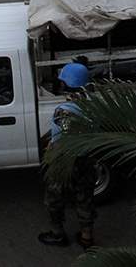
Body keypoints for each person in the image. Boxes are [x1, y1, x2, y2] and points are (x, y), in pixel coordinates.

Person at [38, 62, 97, 249]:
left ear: (65, 84)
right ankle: (86, 237)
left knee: (54, 198)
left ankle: (57, 234)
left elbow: (60, 137)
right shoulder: (93, 107)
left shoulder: (63, 111)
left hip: (64, 161)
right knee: (84, 197)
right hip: (86, 159)